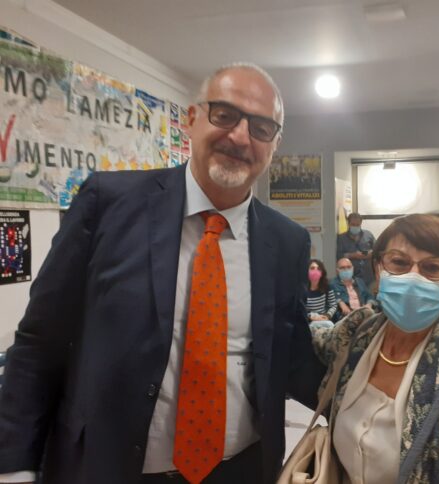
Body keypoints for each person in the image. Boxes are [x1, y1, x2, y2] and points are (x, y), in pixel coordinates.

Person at [0, 63, 325, 484]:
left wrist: (377, 384)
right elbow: (40, 341)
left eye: (262, 128)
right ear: (192, 119)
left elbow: (292, 357)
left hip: (241, 470)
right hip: (110, 469)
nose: (241, 137)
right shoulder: (108, 203)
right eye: (225, 115)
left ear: (274, 144)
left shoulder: (287, 241)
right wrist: (14, 463)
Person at [311, 214, 439, 483]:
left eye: (432, 268)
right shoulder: (357, 333)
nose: (413, 278)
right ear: (378, 270)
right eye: (399, 263)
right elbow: (309, 341)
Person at [336, 212, 375, 286]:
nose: (355, 227)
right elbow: (339, 256)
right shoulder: (341, 238)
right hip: (350, 277)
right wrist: (352, 255)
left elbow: (377, 250)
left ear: (361, 224)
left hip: (368, 276)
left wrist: (367, 254)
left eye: (357, 225)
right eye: (353, 224)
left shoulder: (368, 235)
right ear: (348, 224)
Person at [305, 259, 336, 329]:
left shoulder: (327, 287)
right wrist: (310, 316)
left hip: (323, 319)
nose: (315, 271)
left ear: (322, 272)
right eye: (312, 268)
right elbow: (299, 309)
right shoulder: (302, 289)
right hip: (308, 322)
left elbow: (333, 305)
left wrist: (327, 316)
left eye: (318, 269)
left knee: (330, 325)